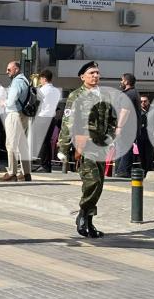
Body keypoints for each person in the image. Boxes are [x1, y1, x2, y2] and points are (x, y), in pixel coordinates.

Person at [57, 61, 116, 238]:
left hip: (100, 146)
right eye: (91, 73)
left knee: (99, 185)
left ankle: (88, 221)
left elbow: (112, 120)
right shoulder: (76, 95)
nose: (95, 76)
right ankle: (83, 214)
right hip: (84, 145)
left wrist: (110, 137)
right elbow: (67, 122)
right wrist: (63, 147)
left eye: (97, 73)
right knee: (93, 181)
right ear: (82, 77)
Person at [0, 61, 31, 182]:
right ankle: (26, 173)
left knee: (11, 144)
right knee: (22, 145)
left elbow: (11, 101)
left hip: (14, 114)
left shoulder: (17, 81)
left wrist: (4, 102)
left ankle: (12, 173)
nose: (6, 72)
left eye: (9, 69)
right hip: (24, 115)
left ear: (16, 69)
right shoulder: (25, 80)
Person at [114, 73, 141, 177]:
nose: (121, 82)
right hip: (129, 128)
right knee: (121, 149)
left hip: (127, 128)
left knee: (125, 148)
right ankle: (119, 171)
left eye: (122, 80)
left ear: (126, 81)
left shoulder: (129, 94)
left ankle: (123, 171)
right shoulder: (132, 93)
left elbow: (125, 111)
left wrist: (119, 127)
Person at [34, 69, 59, 172]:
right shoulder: (56, 90)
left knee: (43, 142)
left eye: (40, 79)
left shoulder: (42, 90)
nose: (40, 81)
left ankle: (44, 165)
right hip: (52, 118)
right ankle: (47, 165)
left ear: (44, 79)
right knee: (47, 142)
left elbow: (36, 103)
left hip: (43, 117)